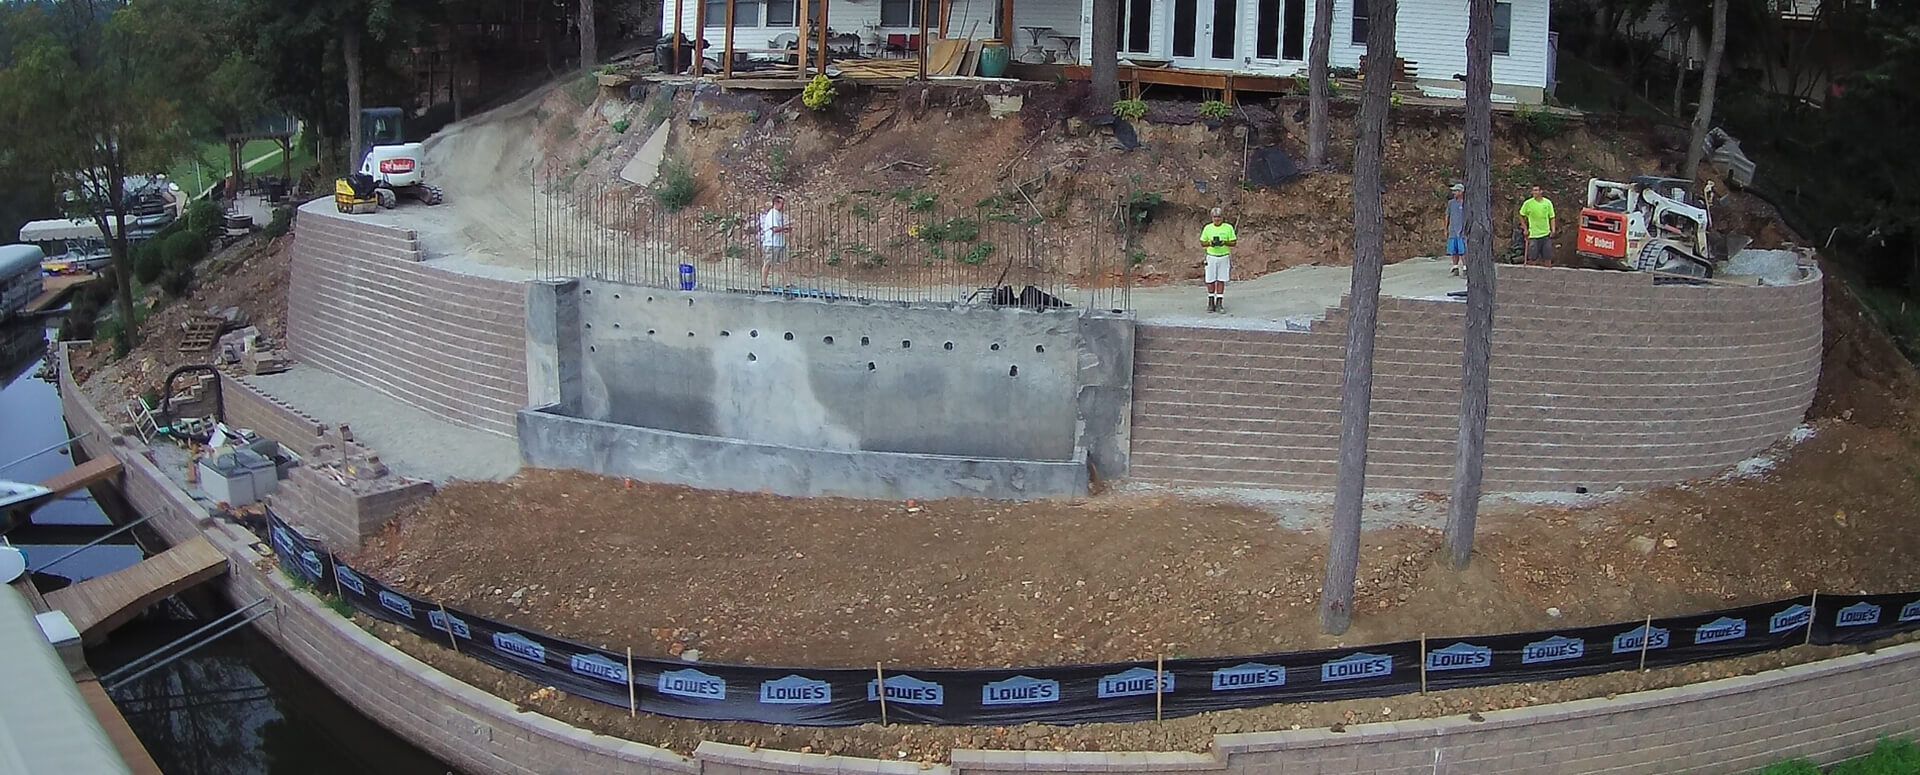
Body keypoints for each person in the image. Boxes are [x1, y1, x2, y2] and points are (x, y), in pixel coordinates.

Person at [1200, 207, 1237, 313]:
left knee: (1221, 279)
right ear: (1212, 218)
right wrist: (1211, 243)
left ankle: (1219, 302)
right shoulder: (1208, 228)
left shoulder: (1228, 228)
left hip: (1224, 256)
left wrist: (1224, 242)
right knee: (1210, 279)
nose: (1217, 219)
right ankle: (1211, 301)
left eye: (1219, 217)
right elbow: (1202, 242)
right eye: (1215, 217)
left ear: (1222, 217)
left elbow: (1234, 242)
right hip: (1211, 256)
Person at [1517, 185, 1556, 266]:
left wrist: (1553, 229)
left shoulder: (1547, 203)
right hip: (1533, 235)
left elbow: (1552, 217)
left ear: (1541, 191)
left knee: (1548, 258)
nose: (1534, 192)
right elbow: (1521, 215)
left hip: (1545, 234)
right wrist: (1525, 228)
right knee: (1532, 258)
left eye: (1536, 190)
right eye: (1533, 191)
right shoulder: (1528, 203)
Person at [759, 195, 791, 288]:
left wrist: (785, 229)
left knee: (783, 263)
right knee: (768, 263)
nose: (783, 205)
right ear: (776, 203)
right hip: (771, 243)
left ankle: (787, 283)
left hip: (780, 242)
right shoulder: (772, 214)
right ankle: (764, 283)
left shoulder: (778, 214)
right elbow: (774, 229)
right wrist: (785, 228)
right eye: (781, 203)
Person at [1445, 183, 1467, 276]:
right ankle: (1455, 267)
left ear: (1461, 192)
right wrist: (1446, 228)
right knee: (1454, 250)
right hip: (1453, 229)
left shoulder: (1466, 203)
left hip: (1462, 230)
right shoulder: (1451, 203)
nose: (1454, 193)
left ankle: (1465, 267)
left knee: (1463, 250)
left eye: (1456, 191)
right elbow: (1447, 216)